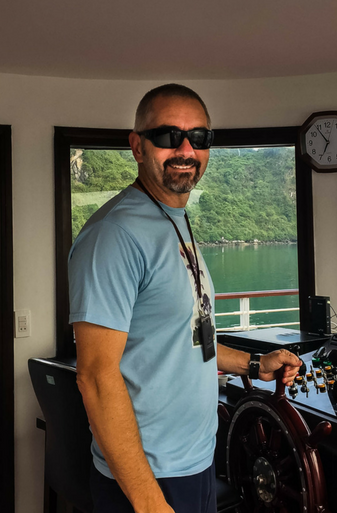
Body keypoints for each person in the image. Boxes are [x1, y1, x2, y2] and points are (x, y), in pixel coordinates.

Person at [69, 83, 302, 513]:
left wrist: (254, 364)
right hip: (148, 481)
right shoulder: (115, 236)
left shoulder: (174, 220)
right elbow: (96, 379)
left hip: (193, 464)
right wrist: (149, 503)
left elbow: (189, 339)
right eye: (168, 136)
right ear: (137, 146)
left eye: (199, 137)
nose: (185, 149)